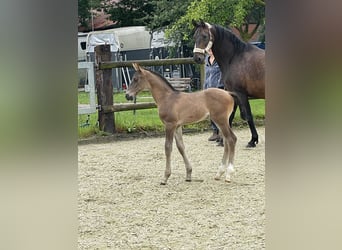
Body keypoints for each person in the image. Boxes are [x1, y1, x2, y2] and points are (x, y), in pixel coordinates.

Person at [204, 49, 225, 145]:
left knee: (219, 112)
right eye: (208, 49)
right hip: (208, 89)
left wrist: (220, 86)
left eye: (212, 49)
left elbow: (222, 73)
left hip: (218, 89)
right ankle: (214, 131)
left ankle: (222, 132)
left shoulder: (220, 59)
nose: (210, 51)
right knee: (211, 111)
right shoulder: (206, 59)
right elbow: (206, 74)